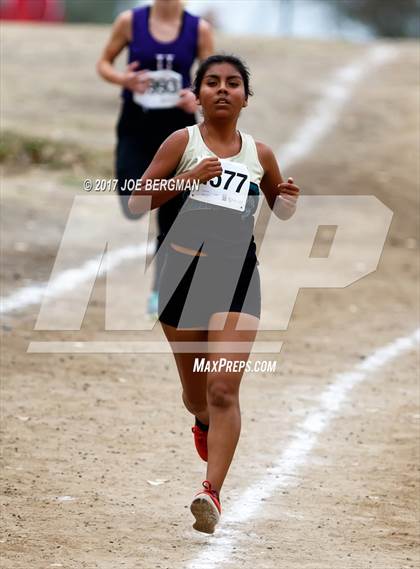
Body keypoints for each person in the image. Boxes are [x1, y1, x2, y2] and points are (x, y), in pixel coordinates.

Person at [128, 54, 300, 534]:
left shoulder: (260, 153)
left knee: (224, 388)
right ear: (198, 94)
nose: (223, 89)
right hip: (180, 274)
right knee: (197, 395)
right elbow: (139, 199)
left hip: (237, 277)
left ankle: (211, 492)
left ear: (246, 97)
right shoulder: (181, 141)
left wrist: (285, 198)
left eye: (233, 83)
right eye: (212, 82)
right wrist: (187, 179)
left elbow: (278, 209)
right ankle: (202, 421)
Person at [96, 0, 213, 316]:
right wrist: (125, 80)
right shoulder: (129, 22)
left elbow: (212, 79)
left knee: (172, 216)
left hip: (178, 134)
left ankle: (162, 291)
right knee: (133, 204)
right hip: (135, 128)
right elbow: (104, 63)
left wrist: (197, 98)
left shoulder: (198, 29)